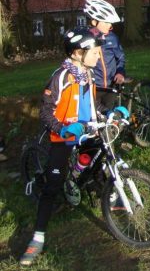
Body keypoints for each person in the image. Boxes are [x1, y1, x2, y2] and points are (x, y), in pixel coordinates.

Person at [20, 29, 127, 266]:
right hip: (63, 137)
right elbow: (45, 112)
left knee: (97, 155)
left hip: (84, 132)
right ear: (79, 53)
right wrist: (62, 129)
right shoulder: (61, 77)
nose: (99, 57)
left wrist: (112, 113)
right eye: (95, 52)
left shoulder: (87, 75)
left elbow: (92, 106)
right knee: (52, 187)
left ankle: (78, 181)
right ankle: (38, 236)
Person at [84, 0, 125, 110]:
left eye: (111, 23)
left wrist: (120, 72)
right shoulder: (85, 39)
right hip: (93, 87)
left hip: (111, 86)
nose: (110, 26)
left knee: (109, 117)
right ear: (94, 22)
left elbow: (120, 57)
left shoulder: (112, 37)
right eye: (106, 22)